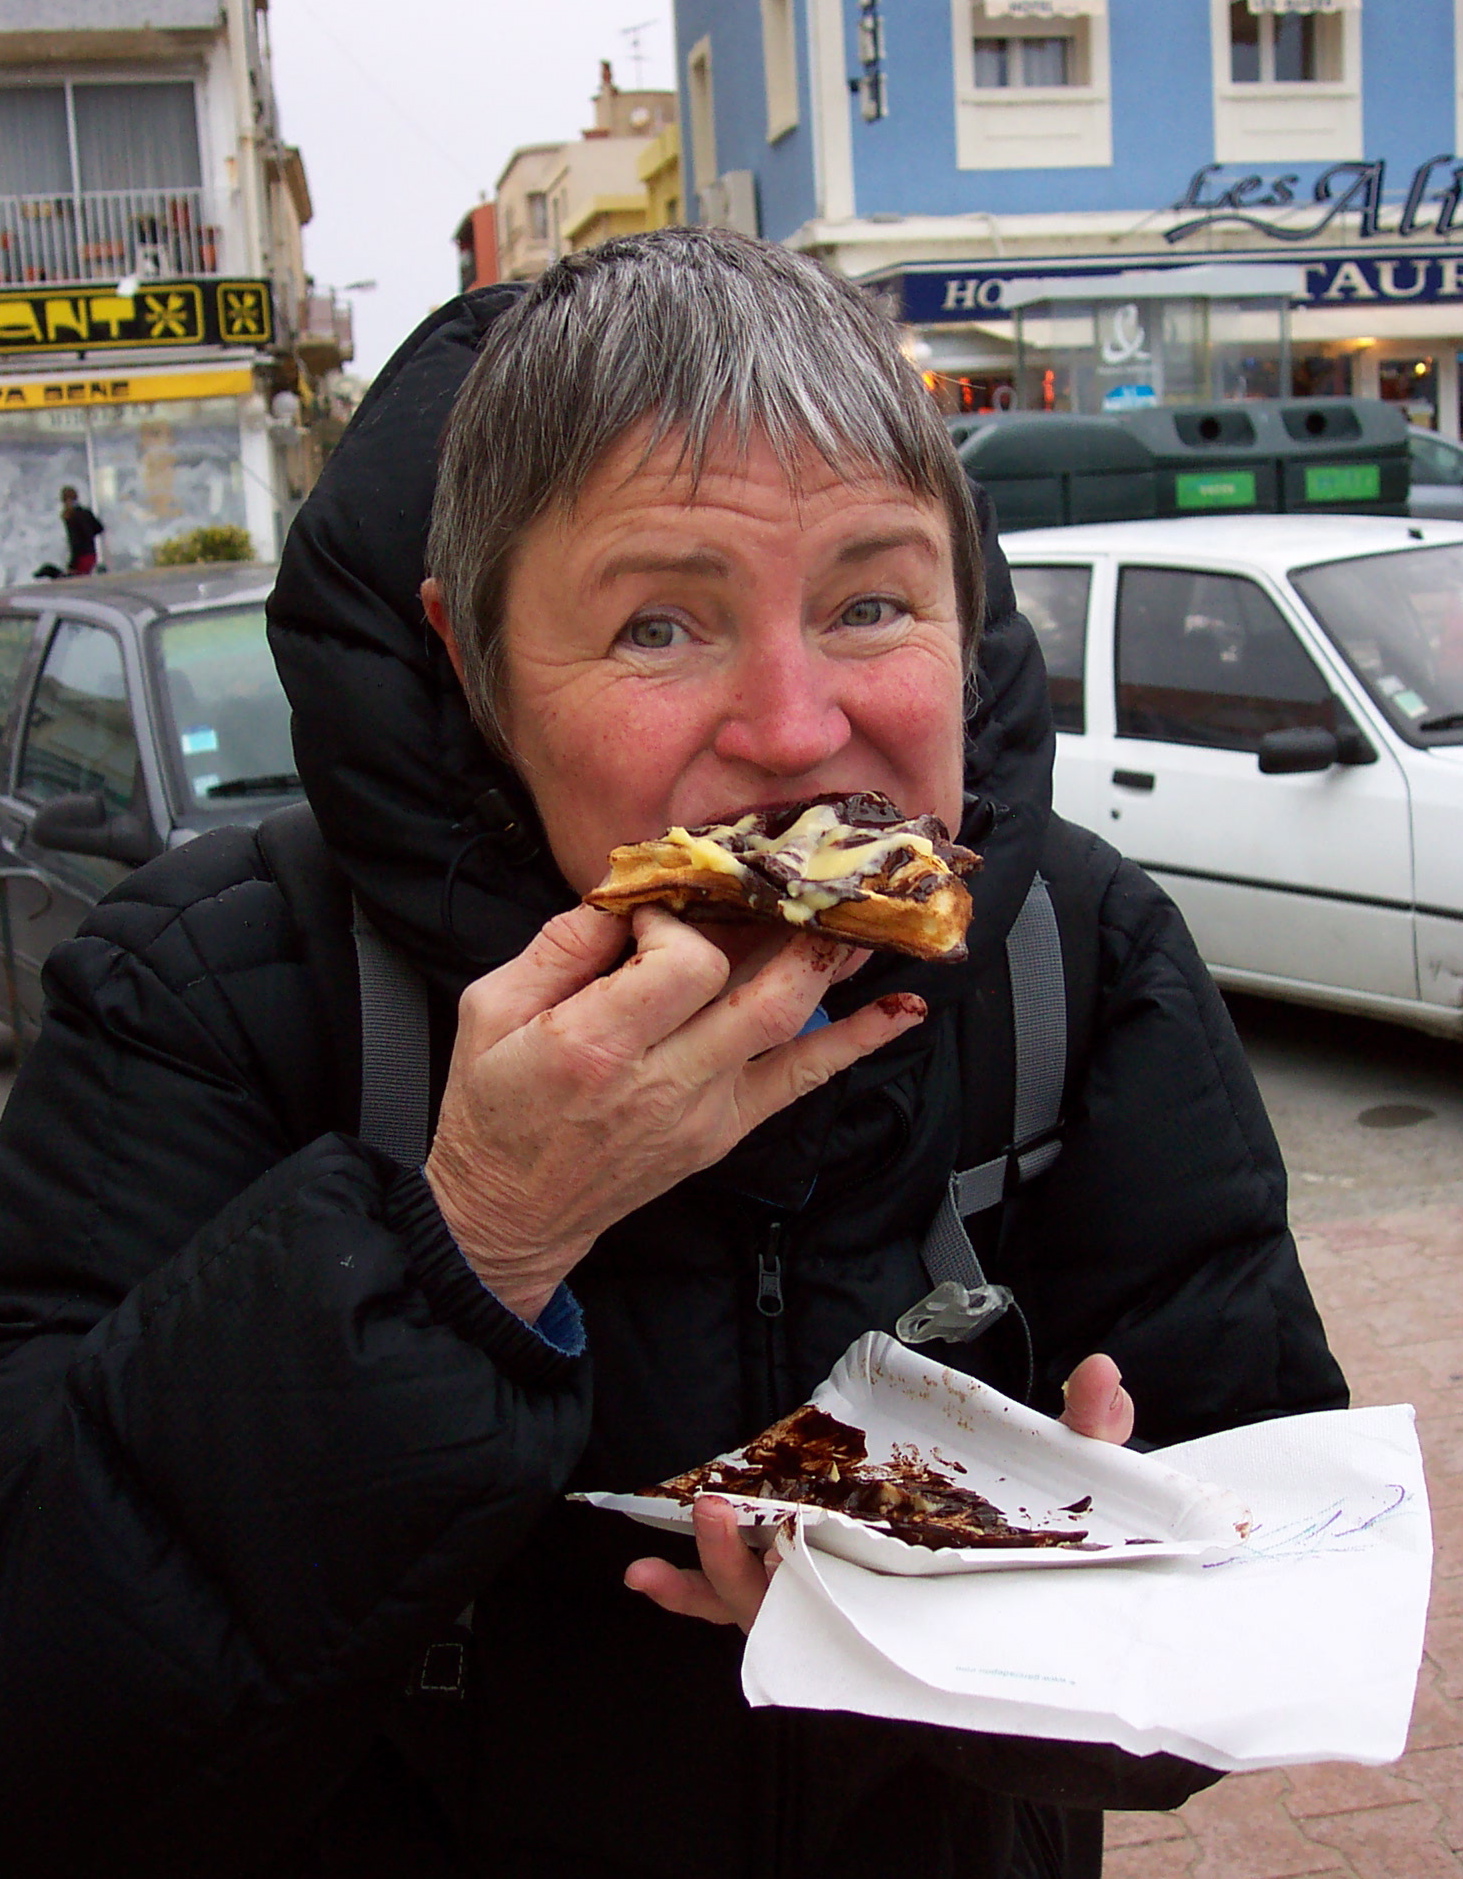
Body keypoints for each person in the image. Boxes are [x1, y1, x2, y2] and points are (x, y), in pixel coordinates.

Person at [0, 231, 1345, 1879]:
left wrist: (989, 1621)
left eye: (868, 599)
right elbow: (51, 1723)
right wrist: (472, 1237)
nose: (791, 726)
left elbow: (1260, 1625)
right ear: (470, 657)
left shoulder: (1076, 955)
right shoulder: (212, 992)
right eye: (657, 623)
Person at [59, 483, 104, 574]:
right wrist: (89, 535)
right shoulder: (86, 512)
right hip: (91, 554)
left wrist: (72, 564)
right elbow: (99, 528)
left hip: (80, 558)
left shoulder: (70, 516)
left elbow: (75, 542)